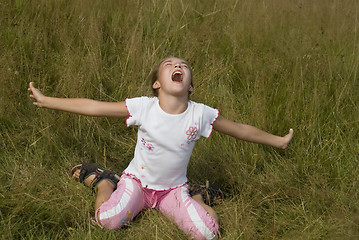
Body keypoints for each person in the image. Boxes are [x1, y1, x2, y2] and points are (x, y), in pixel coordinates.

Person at [28, 56, 293, 240]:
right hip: (137, 184)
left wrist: (278, 140)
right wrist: (48, 101)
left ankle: (196, 195)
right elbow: (94, 107)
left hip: (172, 191)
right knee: (106, 221)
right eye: (169, 64)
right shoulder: (145, 107)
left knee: (209, 233)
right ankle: (105, 182)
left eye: (183, 65)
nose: (178, 65)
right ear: (157, 83)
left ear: (189, 86)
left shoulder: (200, 114)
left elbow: (241, 129)